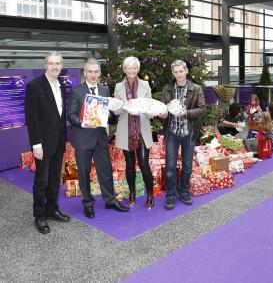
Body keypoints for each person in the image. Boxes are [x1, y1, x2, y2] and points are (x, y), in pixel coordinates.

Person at [68, 58, 129, 218]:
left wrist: (111, 113)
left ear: (99, 73)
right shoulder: (77, 91)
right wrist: (82, 122)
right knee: (84, 172)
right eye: (90, 71)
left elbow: (107, 116)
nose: (93, 74)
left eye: (96, 71)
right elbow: (71, 115)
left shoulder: (104, 90)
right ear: (85, 73)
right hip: (82, 138)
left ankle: (110, 200)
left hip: (100, 138)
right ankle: (88, 203)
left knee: (105, 170)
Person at [24, 51, 70, 234]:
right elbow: (32, 118)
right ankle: (39, 215)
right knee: (41, 181)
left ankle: (52, 209)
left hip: (58, 142)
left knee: (54, 179)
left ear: (61, 65)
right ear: (45, 65)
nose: (54, 66)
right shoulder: (34, 86)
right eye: (51, 63)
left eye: (57, 63)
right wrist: (36, 145)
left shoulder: (62, 86)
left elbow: (60, 117)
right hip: (42, 144)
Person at [161, 60, 206, 210]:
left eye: (181, 71)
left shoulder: (196, 89)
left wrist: (186, 113)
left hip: (189, 133)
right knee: (170, 167)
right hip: (172, 133)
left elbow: (202, 110)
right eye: (175, 72)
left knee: (187, 166)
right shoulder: (167, 88)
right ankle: (170, 195)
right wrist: (162, 113)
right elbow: (164, 109)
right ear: (172, 73)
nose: (178, 75)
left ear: (186, 71)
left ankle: (183, 191)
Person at [114, 56, 155, 209]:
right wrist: (124, 106)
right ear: (124, 69)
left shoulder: (145, 85)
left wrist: (150, 112)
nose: (131, 71)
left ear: (138, 69)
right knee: (129, 166)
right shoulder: (118, 87)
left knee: (144, 164)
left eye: (134, 68)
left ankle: (150, 194)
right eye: (128, 68)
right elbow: (117, 111)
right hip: (126, 131)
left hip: (142, 129)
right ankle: (131, 192)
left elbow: (149, 106)